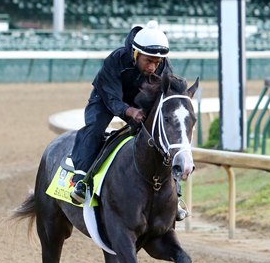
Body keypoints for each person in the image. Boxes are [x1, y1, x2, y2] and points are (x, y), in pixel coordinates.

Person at [70, 20, 188, 221]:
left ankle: (173, 194)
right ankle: (81, 179)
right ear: (135, 54)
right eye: (148, 61)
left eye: (156, 63)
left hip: (138, 99)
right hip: (105, 97)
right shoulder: (116, 59)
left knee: (158, 138)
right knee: (95, 129)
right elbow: (112, 98)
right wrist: (129, 111)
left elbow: (166, 92)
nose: (152, 67)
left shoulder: (162, 65)